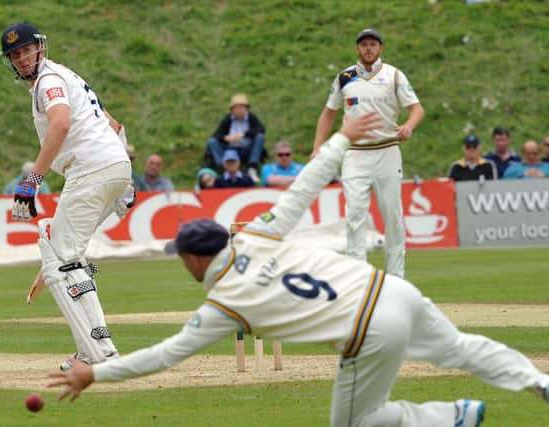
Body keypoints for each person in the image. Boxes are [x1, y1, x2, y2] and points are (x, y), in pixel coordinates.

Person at [48, 114, 549, 427]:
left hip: (367, 332)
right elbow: (305, 187)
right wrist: (342, 139)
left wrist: (98, 373)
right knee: (463, 348)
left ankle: (449, 417)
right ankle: (537, 380)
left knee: (353, 424)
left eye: (181, 255)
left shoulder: (225, 303)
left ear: (196, 258)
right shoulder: (261, 231)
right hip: (391, 290)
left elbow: (164, 355)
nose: (180, 262)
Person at [0, 22, 136, 370]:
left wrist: (32, 180)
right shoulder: (68, 76)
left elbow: (60, 124)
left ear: (40, 47)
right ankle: (89, 349)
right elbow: (114, 126)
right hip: (111, 167)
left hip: (91, 170)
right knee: (56, 247)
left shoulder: (49, 81)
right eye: (15, 55)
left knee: (61, 260)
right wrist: (126, 183)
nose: (22, 58)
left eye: (27, 49)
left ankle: (99, 354)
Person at [311, 29, 424, 279]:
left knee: (392, 218)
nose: (368, 49)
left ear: (380, 48)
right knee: (354, 217)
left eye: (373, 44)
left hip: (387, 151)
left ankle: (396, 279)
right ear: (357, 49)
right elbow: (329, 112)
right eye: (364, 45)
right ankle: (358, 279)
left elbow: (416, 109)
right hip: (355, 154)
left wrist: (408, 126)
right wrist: (318, 146)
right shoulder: (345, 77)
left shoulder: (393, 75)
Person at [205, 93, 266, 182]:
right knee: (212, 142)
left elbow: (261, 129)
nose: (239, 110)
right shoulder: (228, 119)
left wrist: (244, 134)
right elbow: (216, 135)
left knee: (260, 137)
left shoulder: (251, 117)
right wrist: (227, 138)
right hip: (230, 149)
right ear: (232, 110)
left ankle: (252, 168)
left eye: (242, 107)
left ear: (246, 109)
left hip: (246, 149)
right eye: (236, 108)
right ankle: (224, 168)